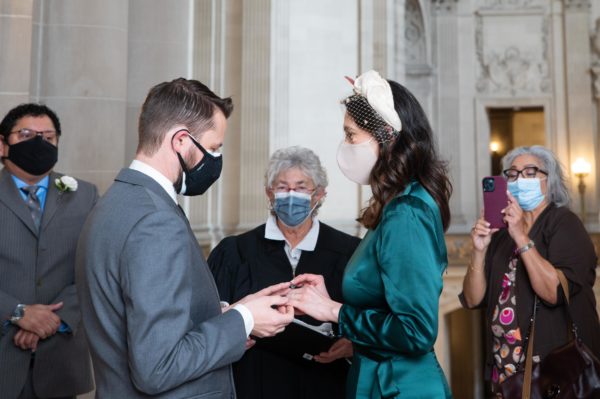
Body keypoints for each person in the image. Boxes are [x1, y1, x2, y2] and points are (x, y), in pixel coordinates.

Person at [75, 78, 294, 398]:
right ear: (180, 140)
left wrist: (226, 313)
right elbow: (158, 367)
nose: (216, 160)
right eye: (214, 148)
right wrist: (244, 320)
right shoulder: (155, 222)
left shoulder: (116, 201)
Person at [287, 70, 453, 398]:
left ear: (386, 136)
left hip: (399, 387)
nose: (345, 146)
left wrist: (333, 311)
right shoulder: (395, 204)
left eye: (351, 135)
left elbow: (416, 331)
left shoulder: (407, 211)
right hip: (377, 376)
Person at [208, 145, 360, 399]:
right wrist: (231, 335)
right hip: (256, 383)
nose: (291, 195)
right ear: (269, 193)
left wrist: (354, 345)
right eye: (282, 187)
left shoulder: (350, 252)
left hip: (325, 384)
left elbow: (372, 318)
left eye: (301, 187)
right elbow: (210, 316)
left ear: (319, 194)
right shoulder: (234, 252)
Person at [460, 145, 600, 395]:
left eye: (530, 172)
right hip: (505, 369)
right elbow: (472, 299)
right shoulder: (502, 235)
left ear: (550, 181)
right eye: (512, 174)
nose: (519, 179)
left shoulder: (564, 224)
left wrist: (521, 236)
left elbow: (552, 292)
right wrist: (479, 250)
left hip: (552, 373)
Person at [0, 103, 96, 399]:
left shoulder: (85, 195)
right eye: (27, 134)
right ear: (3, 144)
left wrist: (52, 319)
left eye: (48, 137)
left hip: (60, 360)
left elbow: (95, 267)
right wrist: (17, 313)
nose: (39, 143)